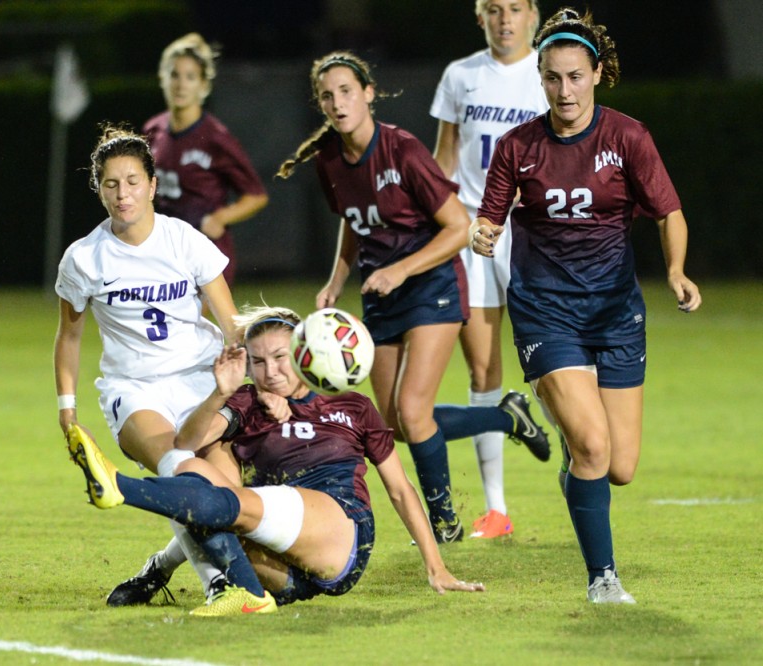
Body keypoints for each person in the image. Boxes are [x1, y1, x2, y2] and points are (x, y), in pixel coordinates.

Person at [470, 7, 701, 603]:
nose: (564, 90)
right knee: (593, 445)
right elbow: (489, 216)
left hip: (615, 313)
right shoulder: (519, 146)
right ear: (540, 79)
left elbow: (669, 212)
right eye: (552, 78)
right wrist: (483, 233)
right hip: (546, 313)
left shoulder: (627, 137)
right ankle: (603, 578)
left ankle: (574, 463)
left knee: (618, 465)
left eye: (575, 76)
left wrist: (675, 271)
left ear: (596, 73)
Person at [274, 50, 550, 544]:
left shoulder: (402, 150)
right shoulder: (330, 160)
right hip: (384, 295)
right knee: (394, 423)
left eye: (346, 91)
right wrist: (337, 279)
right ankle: (506, 415)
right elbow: (353, 223)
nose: (338, 102)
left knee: (414, 410)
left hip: (432, 286)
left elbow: (458, 227)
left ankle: (444, 520)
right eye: (327, 96)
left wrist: (400, 270)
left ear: (368, 94)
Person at [67, 306, 486, 616]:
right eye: (259, 362)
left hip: (339, 530)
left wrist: (437, 568)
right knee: (188, 466)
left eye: (281, 357)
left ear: (304, 352)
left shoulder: (351, 406)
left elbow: (399, 488)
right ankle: (248, 592)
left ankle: (119, 488)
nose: (271, 371)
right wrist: (220, 391)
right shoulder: (248, 402)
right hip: (281, 567)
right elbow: (186, 442)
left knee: (238, 502)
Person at [53, 123, 246, 604]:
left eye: (133, 181)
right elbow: (69, 335)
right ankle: (219, 587)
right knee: (181, 469)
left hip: (201, 381)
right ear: (98, 189)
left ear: (153, 185)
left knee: (227, 496)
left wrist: (261, 367)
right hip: (134, 389)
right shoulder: (83, 259)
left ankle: (157, 569)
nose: (123, 194)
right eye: (111, 184)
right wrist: (67, 405)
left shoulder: (185, 241)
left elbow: (231, 322)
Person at [429, 0, 549, 539]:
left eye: (515, 9)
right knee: (482, 369)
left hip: (533, 235)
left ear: (533, 16)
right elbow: (445, 158)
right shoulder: (461, 75)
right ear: (479, 17)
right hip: (475, 233)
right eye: (494, 10)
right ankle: (496, 510)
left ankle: (582, 467)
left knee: (553, 361)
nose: (505, 19)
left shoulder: (549, 70)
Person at [143, 33, 269, 285]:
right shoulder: (153, 130)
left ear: (203, 85)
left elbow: (256, 195)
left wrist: (221, 217)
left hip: (206, 254)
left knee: (197, 324)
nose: (181, 84)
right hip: (164, 254)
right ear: (162, 78)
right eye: (174, 75)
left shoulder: (215, 137)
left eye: (190, 77)